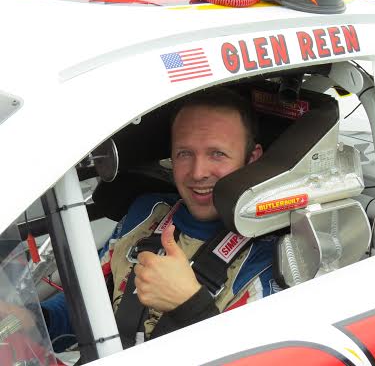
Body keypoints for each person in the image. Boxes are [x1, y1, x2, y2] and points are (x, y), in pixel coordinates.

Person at [42, 88, 278, 348]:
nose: (198, 172)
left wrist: (190, 306)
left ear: (252, 159)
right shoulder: (147, 212)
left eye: (217, 154)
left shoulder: (269, 259)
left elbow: (255, 356)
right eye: (185, 153)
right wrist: (40, 321)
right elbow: (90, 302)